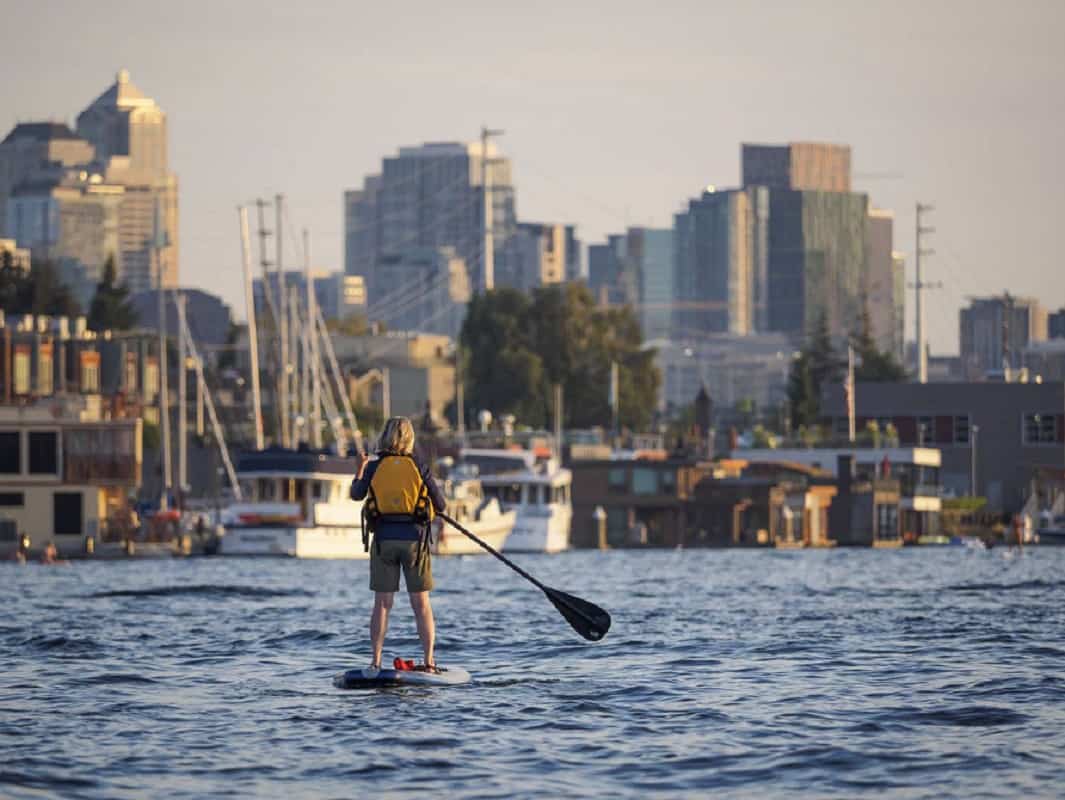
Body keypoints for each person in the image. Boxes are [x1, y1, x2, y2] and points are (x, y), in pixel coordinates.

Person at [350, 416, 446, 674]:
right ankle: (429, 662)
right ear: (409, 439)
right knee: (421, 604)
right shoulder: (418, 466)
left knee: (382, 603)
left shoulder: (374, 466)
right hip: (415, 541)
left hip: (384, 540)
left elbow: (356, 494)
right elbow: (441, 505)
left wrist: (360, 468)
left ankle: (376, 661)